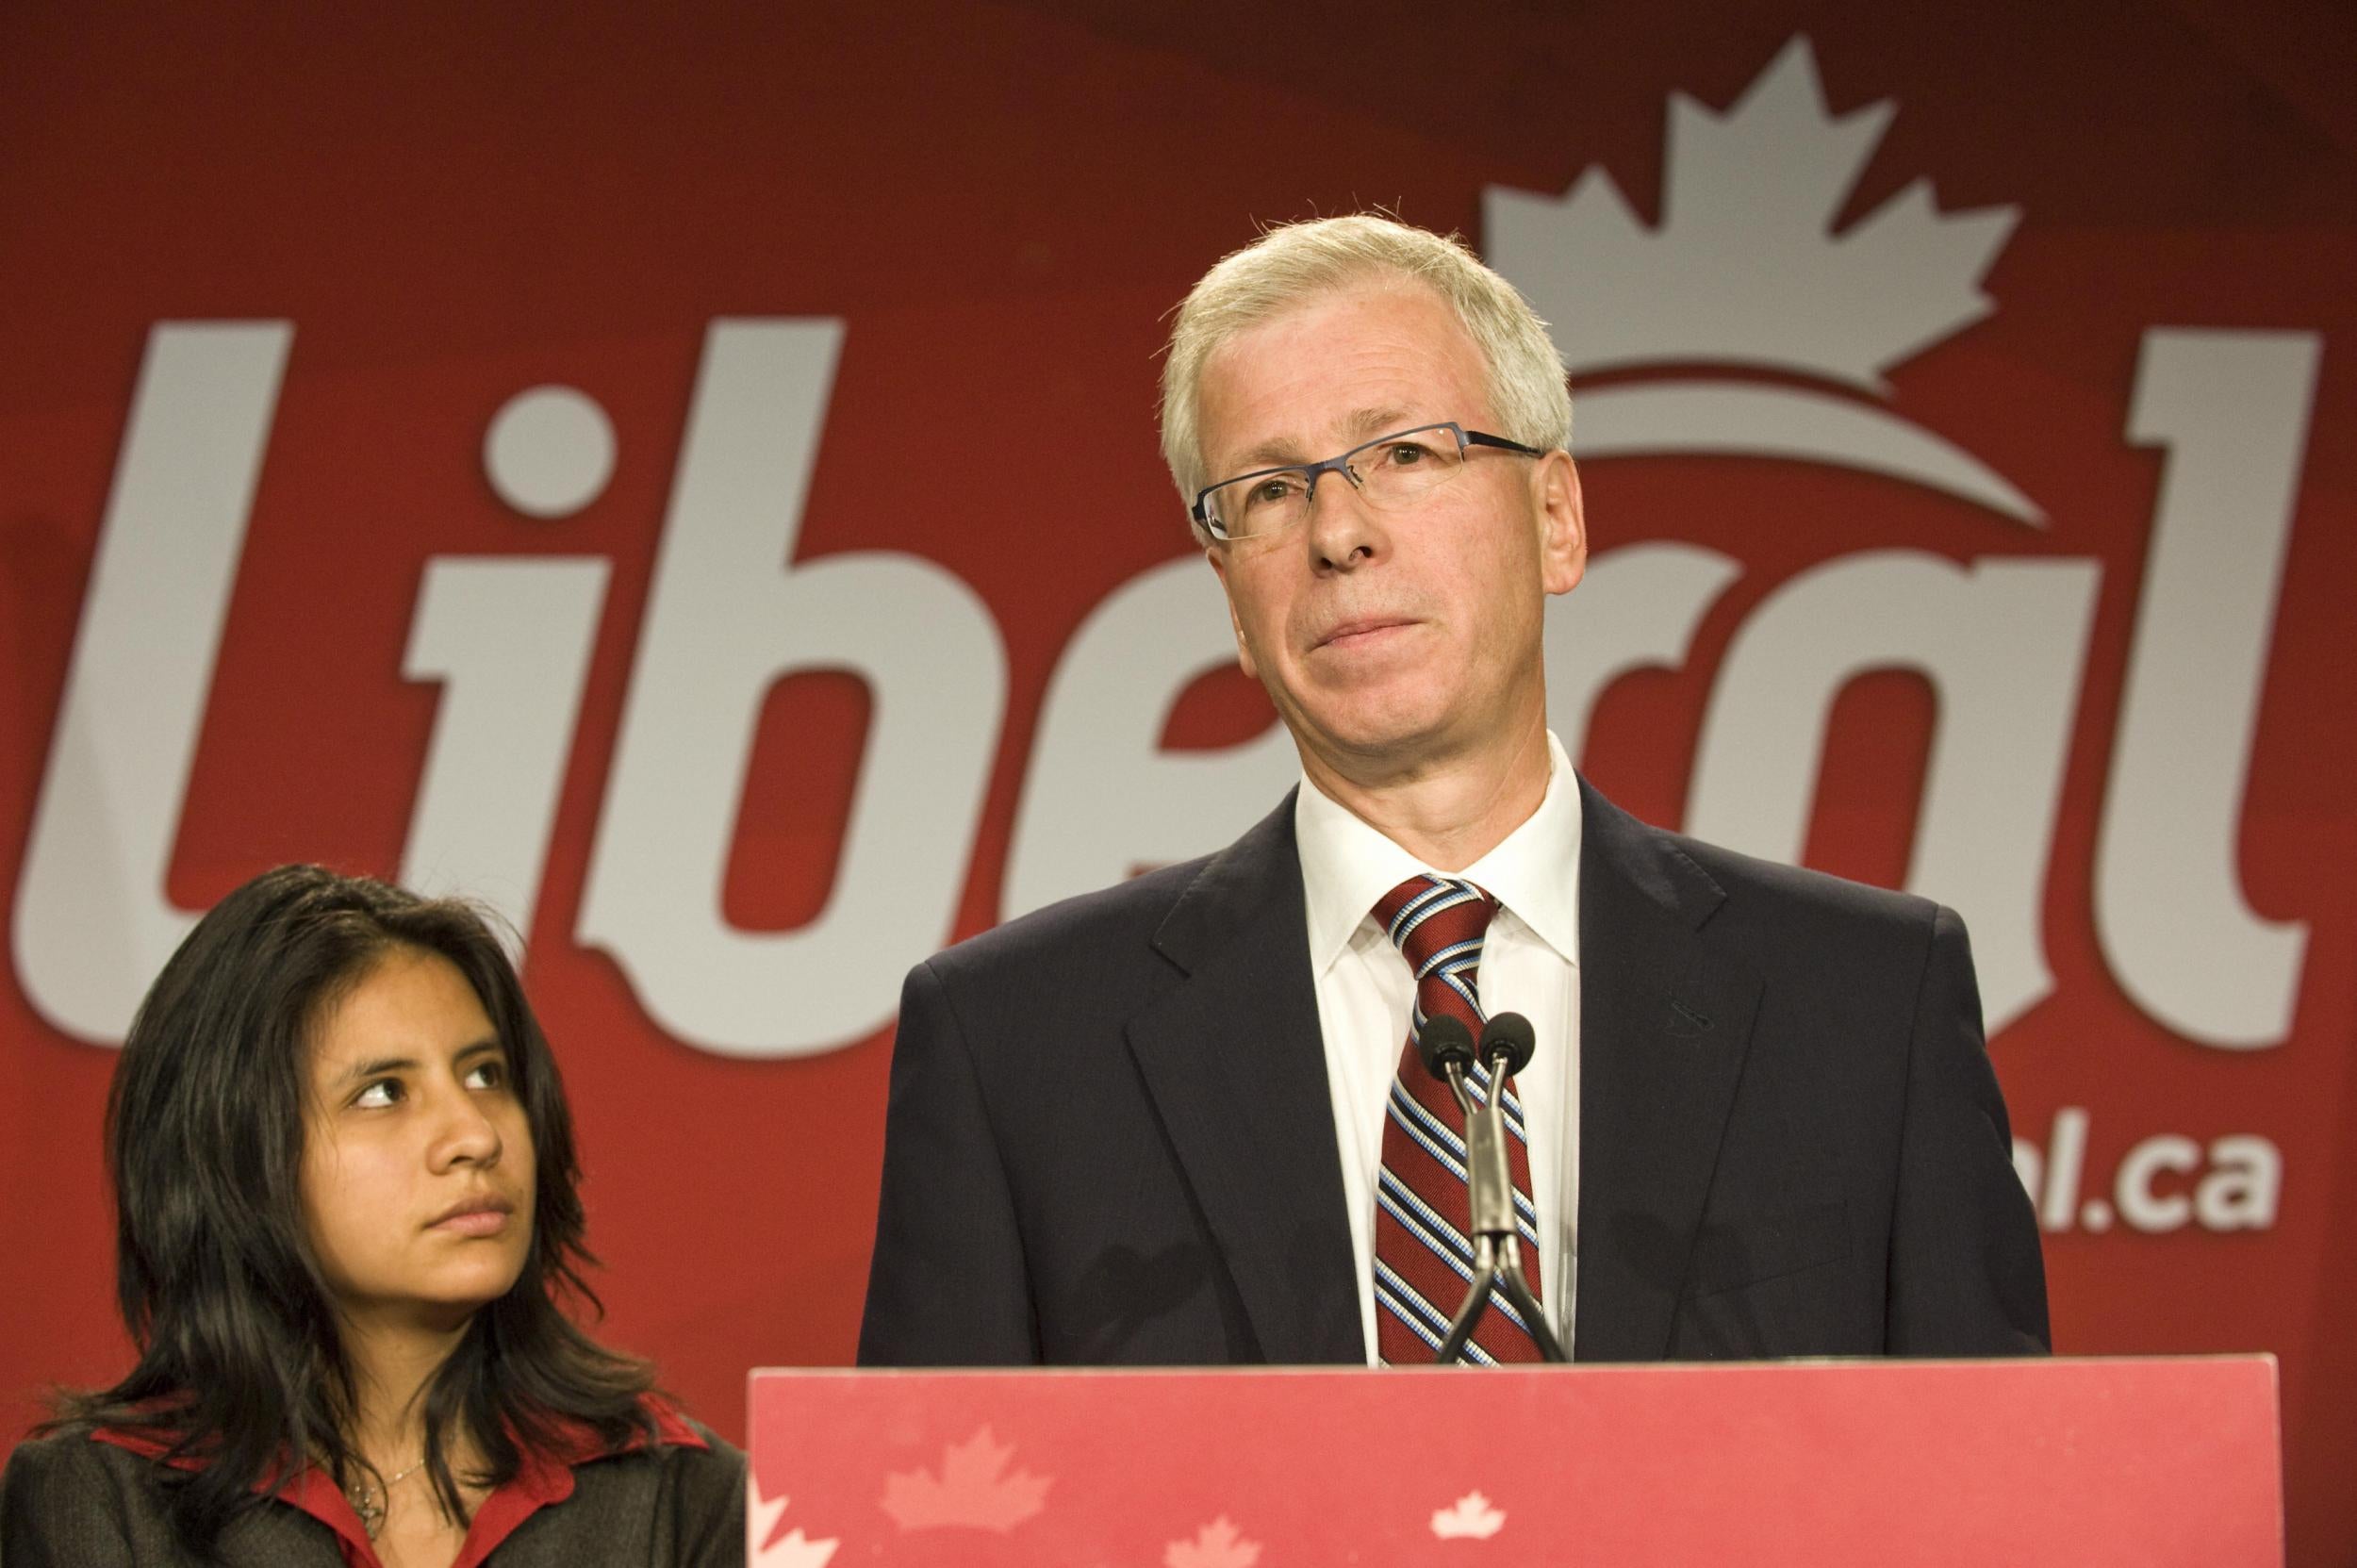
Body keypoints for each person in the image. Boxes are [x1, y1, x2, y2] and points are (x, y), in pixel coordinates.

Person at [859, 213, 2049, 1368]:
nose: (1338, 533)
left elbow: (2001, 1495)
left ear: (1556, 518)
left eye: (1405, 455)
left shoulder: (1862, 1005)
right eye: (1269, 490)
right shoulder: (1016, 1049)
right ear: (1228, 595)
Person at [0, 866, 744, 1565]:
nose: (476, 1136)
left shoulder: (686, 1500)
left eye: (487, 1075)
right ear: (237, 1153)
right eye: (383, 1091)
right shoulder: (99, 1501)